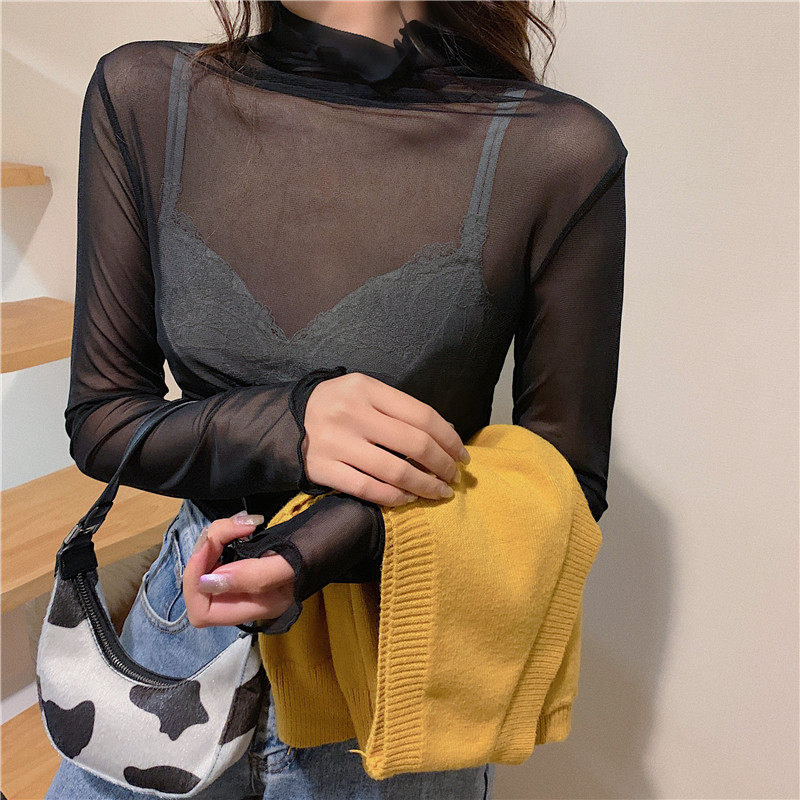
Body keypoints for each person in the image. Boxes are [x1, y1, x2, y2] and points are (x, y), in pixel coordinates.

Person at [44, 1, 627, 797]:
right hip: (182, 639)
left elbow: (565, 478)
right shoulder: (147, 93)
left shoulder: (556, 149)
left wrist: (326, 543)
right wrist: (289, 422)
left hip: (395, 675)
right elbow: (103, 418)